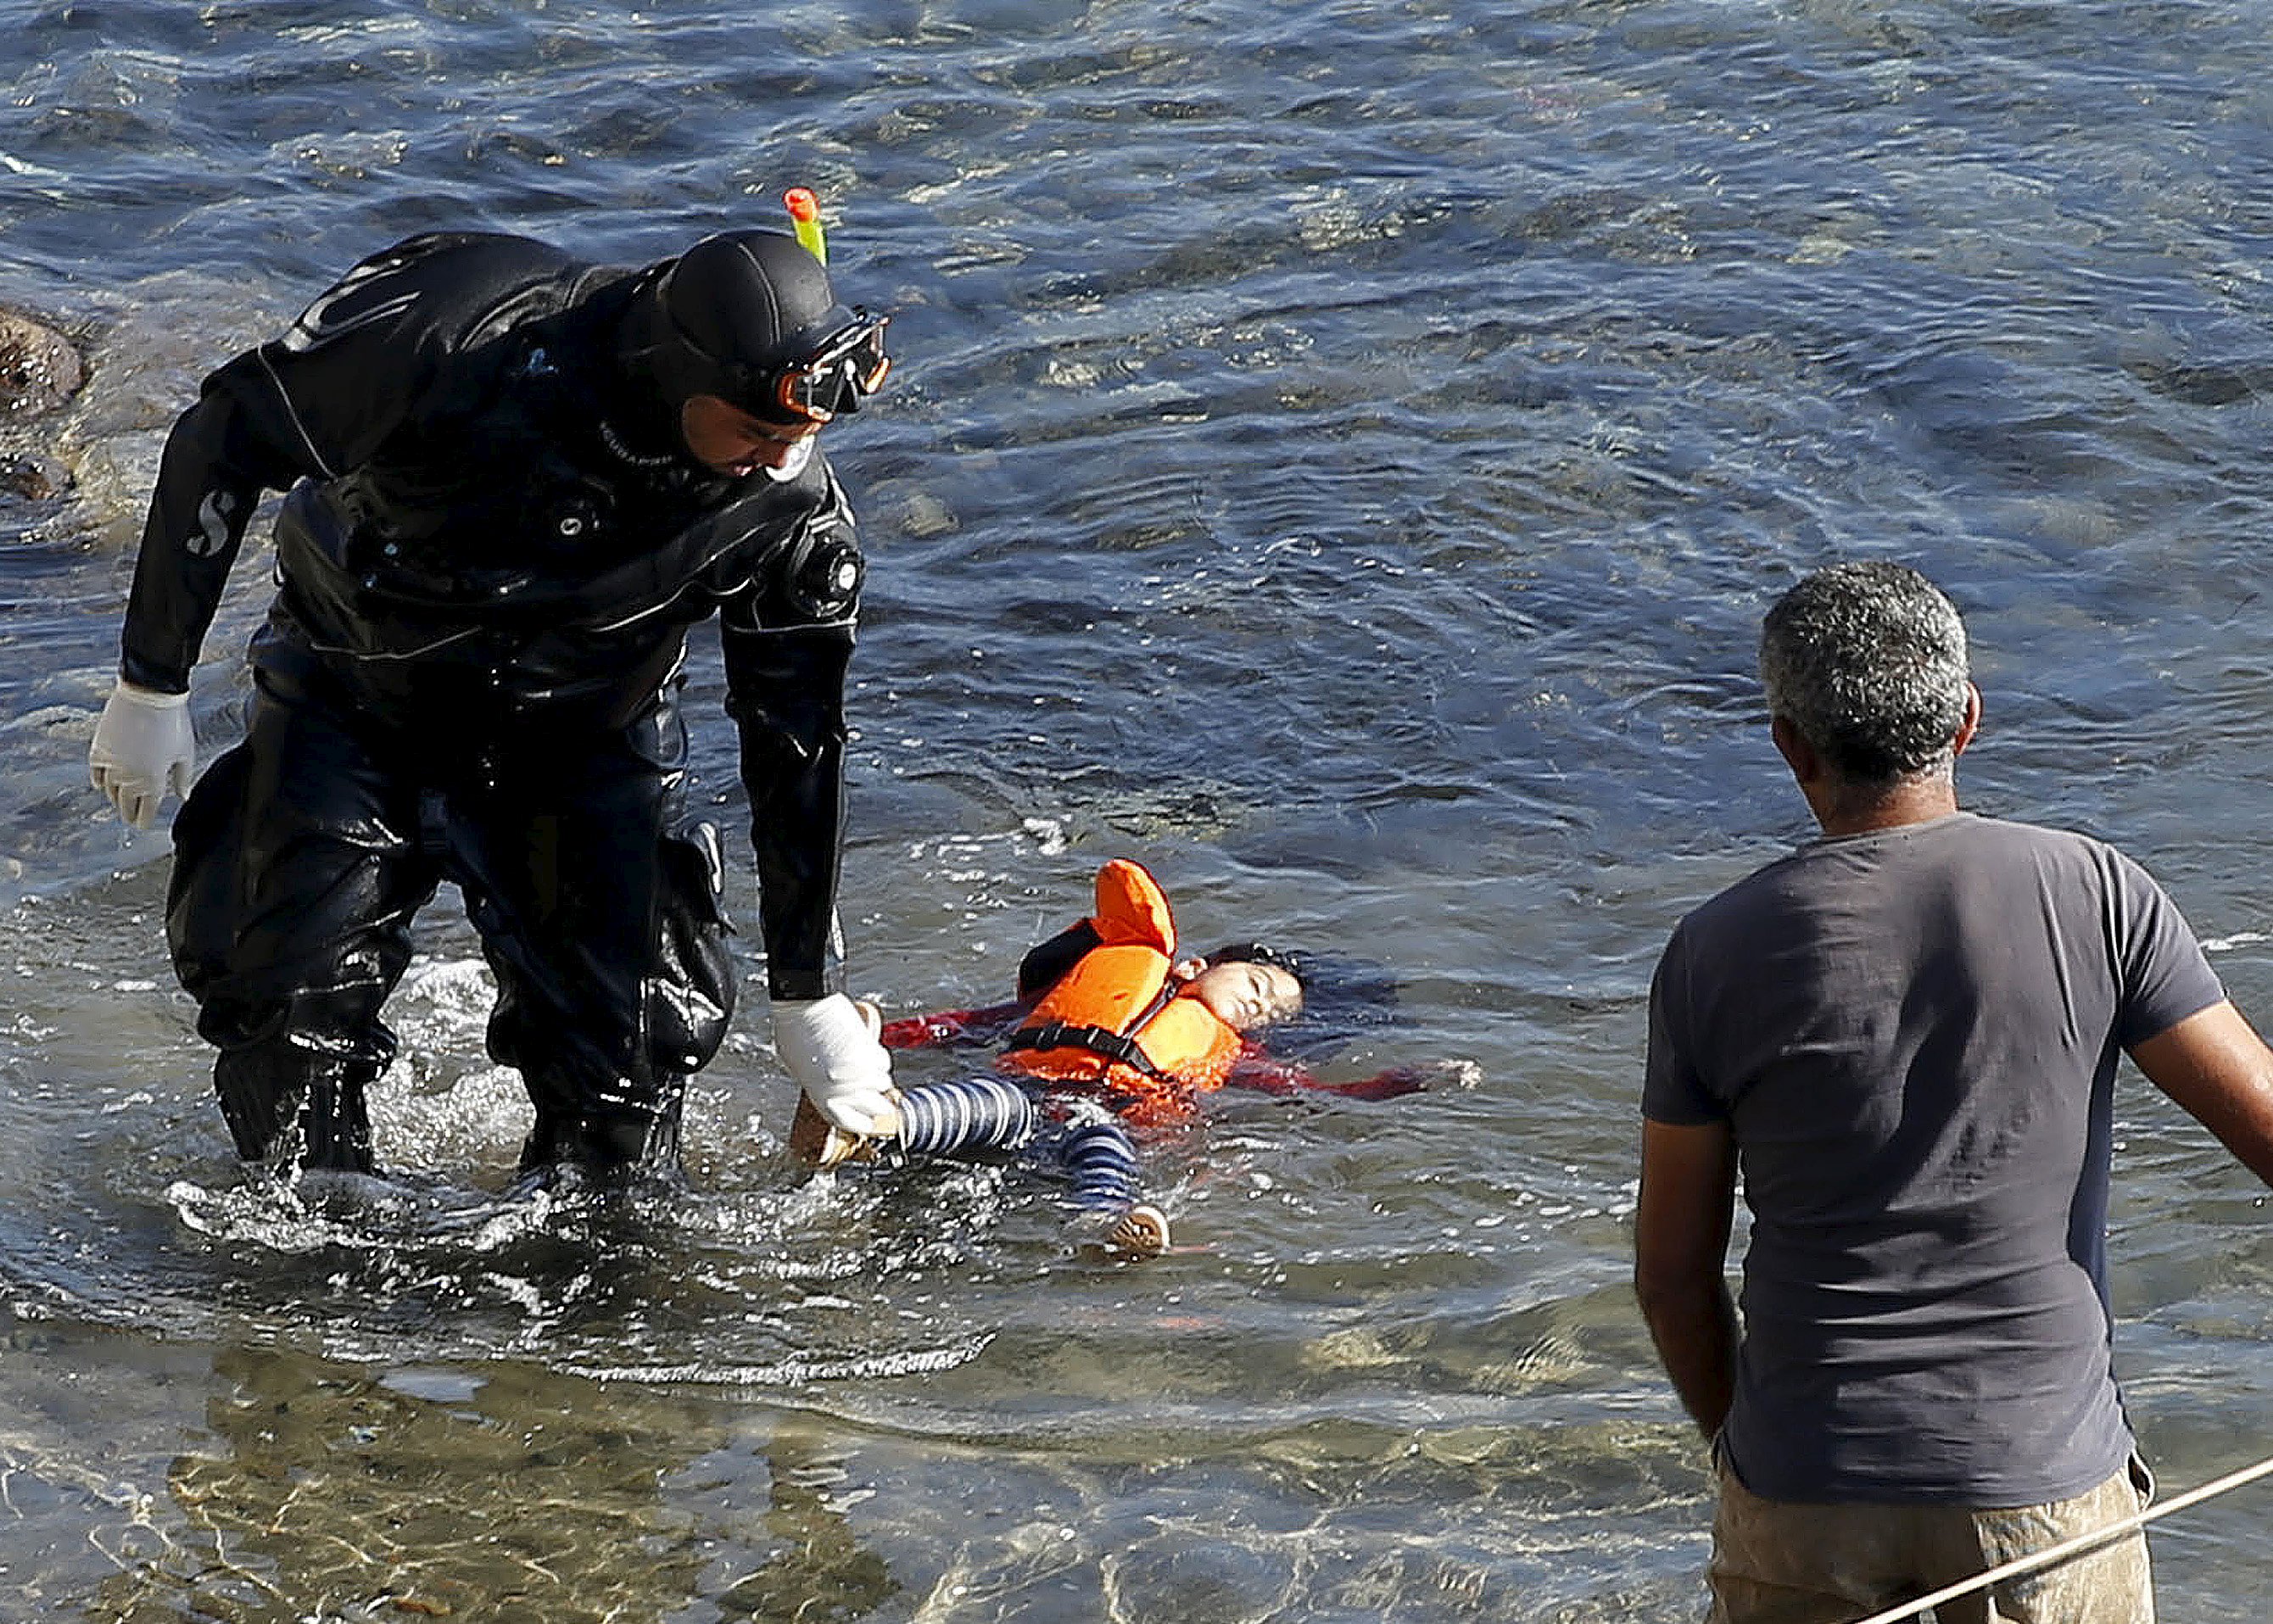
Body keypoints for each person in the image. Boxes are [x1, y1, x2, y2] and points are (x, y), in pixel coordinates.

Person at [85, 223, 905, 1183]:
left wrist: (808, 991)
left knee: (628, 1064)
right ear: (678, 376)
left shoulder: (786, 510)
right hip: (354, 693)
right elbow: (222, 438)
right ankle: (304, 1275)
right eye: (758, 431)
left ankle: (585, 1286)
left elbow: (797, 738)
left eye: (800, 437)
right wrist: (152, 679)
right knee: (285, 1007)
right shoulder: (454, 336)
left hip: (586, 731)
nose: (777, 459)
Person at [1634, 560, 2273, 1623]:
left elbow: (1670, 1276)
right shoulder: (2098, 893)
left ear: (1790, 747)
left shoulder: (1711, 951)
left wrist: (1742, 1448)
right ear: (1968, 719)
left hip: (1803, 1472)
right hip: (2039, 1479)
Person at [800, 857, 1430, 1253]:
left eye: (1270, 1015)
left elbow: (1305, 1089)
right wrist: (884, 1034)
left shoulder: (1230, 1050)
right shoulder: (1111, 976)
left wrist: (1396, 1084)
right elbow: (973, 1024)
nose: (1256, 1008)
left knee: (1106, 1159)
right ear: (1196, 966)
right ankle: (863, 1124)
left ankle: (1105, 1227)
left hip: (1102, 1116)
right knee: (970, 1105)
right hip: (1030, 1085)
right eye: (1257, 986)